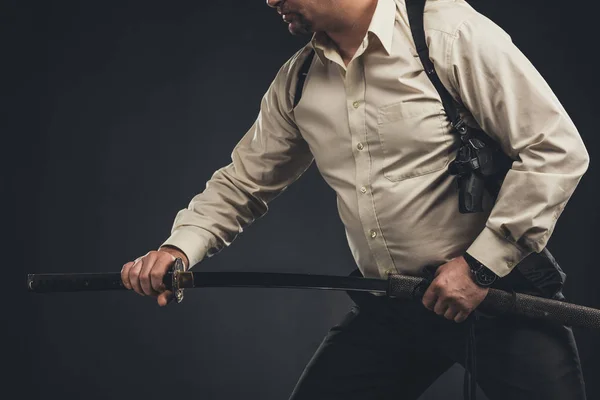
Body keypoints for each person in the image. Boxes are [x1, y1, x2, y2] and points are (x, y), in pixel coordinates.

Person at [120, 0, 590, 399]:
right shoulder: (300, 78)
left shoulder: (446, 33)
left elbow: (555, 149)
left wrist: (480, 265)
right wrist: (178, 248)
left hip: (499, 298)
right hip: (392, 304)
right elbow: (243, 182)